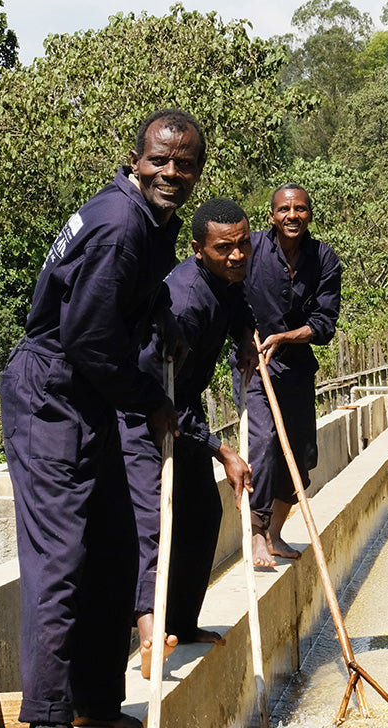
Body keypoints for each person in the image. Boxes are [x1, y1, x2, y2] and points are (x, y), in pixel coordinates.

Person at [0, 109, 206, 728]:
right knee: (61, 553)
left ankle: (93, 696)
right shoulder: (119, 224)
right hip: (54, 388)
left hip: (89, 388)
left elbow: (127, 304)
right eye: (161, 161)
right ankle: (48, 724)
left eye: (185, 165)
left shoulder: (149, 222)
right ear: (136, 159)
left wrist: (163, 323)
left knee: (116, 541)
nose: (172, 173)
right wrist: (151, 399)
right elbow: (87, 336)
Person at [121, 198, 257, 676]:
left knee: (203, 514)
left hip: (184, 410)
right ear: (199, 249)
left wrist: (244, 338)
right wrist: (224, 452)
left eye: (243, 245)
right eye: (225, 249)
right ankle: (145, 639)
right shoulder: (185, 301)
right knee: (157, 525)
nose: (238, 256)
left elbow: (239, 304)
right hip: (150, 415)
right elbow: (164, 398)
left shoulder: (224, 283)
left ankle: (183, 622)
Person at [233, 183, 342, 567]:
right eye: (284, 210)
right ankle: (257, 533)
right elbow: (232, 296)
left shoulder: (324, 259)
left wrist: (286, 337)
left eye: (299, 209)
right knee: (262, 443)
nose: (292, 216)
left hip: (296, 368)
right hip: (254, 362)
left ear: (309, 213)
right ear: (272, 215)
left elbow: (325, 324)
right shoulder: (251, 249)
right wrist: (249, 335)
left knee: (298, 454)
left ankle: (276, 533)